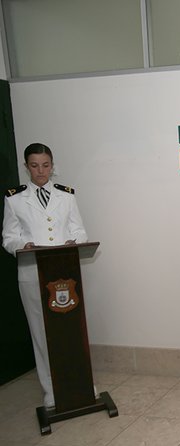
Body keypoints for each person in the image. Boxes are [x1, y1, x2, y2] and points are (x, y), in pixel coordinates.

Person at [3, 143, 88, 408]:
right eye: (34, 165)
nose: (41, 171)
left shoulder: (67, 196)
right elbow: (9, 237)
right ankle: (51, 388)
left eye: (46, 165)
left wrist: (72, 241)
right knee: (41, 333)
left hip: (64, 275)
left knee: (71, 329)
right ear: (26, 166)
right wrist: (21, 246)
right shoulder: (14, 199)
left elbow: (80, 231)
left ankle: (79, 382)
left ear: (53, 165)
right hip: (32, 274)